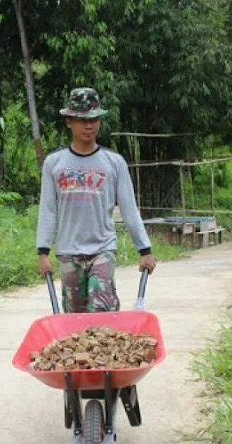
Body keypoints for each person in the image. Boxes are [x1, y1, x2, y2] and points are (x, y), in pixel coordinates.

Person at [36, 87, 156, 313]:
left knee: (103, 308)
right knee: (74, 316)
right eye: (82, 120)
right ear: (69, 121)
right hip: (68, 251)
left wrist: (145, 250)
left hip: (102, 248)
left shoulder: (113, 162)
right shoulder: (54, 164)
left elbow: (130, 210)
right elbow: (48, 210)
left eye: (94, 119)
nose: (89, 126)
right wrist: (42, 253)